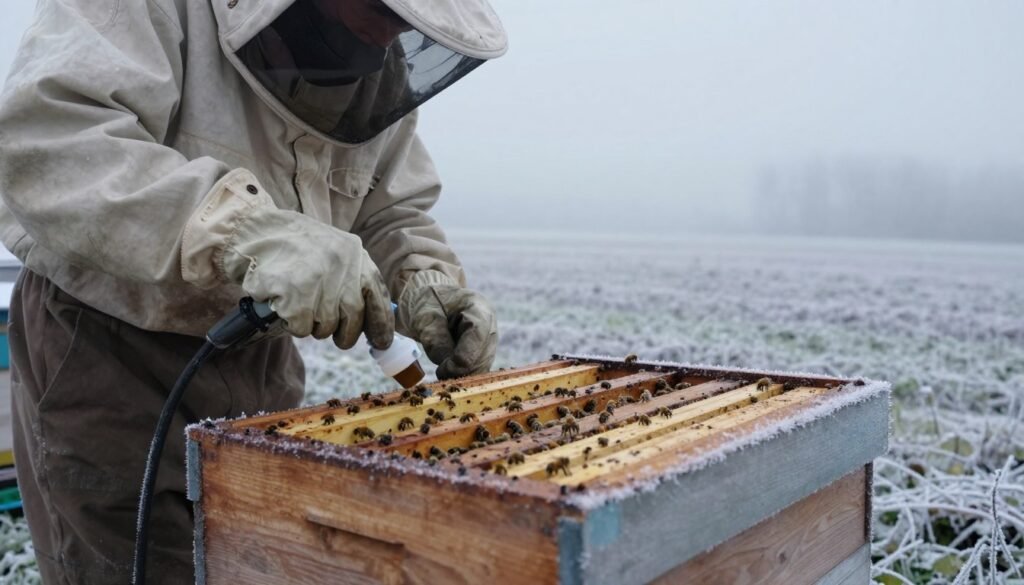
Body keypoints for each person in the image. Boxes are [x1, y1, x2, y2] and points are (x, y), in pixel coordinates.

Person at [0, 0, 505, 582]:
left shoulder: (377, 64)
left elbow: (387, 205)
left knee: (257, 564)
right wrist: (243, 231)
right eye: (380, 5)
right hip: (110, 353)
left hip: (261, 356)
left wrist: (423, 276)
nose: (390, 30)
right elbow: (53, 140)